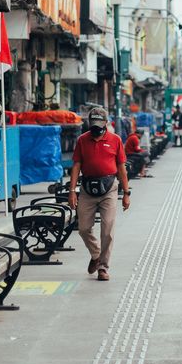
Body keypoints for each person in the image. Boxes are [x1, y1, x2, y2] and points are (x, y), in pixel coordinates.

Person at [68, 107, 131, 281]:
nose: (95, 128)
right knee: (83, 228)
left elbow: (121, 168)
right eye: (92, 124)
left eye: (98, 124)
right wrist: (72, 191)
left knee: (107, 229)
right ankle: (96, 255)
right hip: (87, 188)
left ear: (105, 123)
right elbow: (76, 166)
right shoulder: (82, 140)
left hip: (109, 187)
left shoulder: (115, 140)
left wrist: (126, 193)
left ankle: (103, 267)